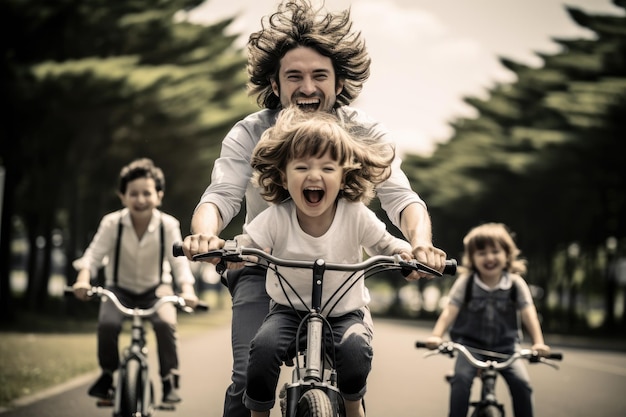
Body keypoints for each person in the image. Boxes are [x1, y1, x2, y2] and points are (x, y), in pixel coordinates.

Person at [181, 1, 447, 416]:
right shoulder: (249, 131)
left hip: (339, 270)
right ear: (275, 82)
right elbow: (221, 195)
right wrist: (206, 236)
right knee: (248, 371)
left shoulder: (364, 130)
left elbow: (401, 198)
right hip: (261, 263)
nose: (307, 87)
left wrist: (421, 246)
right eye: (294, 76)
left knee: (352, 361)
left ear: (338, 82)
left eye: (319, 75)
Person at [241, 107, 414, 417]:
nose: (314, 175)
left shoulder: (356, 214)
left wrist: (410, 256)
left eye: (327, 168)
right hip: (288, 312)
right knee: (263, 349)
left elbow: (387, 244)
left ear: (344, 175)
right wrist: (227, 251)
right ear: (283, 175)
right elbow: (247, 244)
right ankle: (258, 413)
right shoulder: (276, 217)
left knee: (355, 350)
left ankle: (353, 409)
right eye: (302, 166)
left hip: (345, 313)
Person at [72, 157, 199, 404]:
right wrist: (83, 281)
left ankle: (168, 379)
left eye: (147, 193)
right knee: (107, 324)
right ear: (122, 196)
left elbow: (179, 264)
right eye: (133, 194)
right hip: (118, 288)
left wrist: (187, 291)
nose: (140, 199)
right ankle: (107, 375)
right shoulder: (112, 223)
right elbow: (92, 257)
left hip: (156, 288)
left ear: (159, 196)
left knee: (165, 324)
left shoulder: (168, 224)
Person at [425, 222, 551, 417]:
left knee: (523, 385)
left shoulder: (516, 284)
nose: (489, 257)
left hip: (507, 349)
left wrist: (538, 343)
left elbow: (529, 313)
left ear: (507, 255)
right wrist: (436, 336)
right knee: (460, 380)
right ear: (472, 258)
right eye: (481, 253)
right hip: (470, 348)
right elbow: (450, 310)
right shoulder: (466, 283)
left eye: (495, 251)